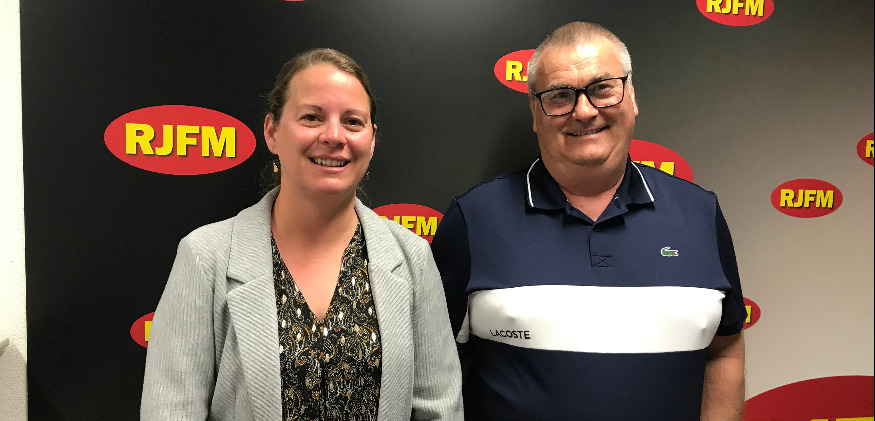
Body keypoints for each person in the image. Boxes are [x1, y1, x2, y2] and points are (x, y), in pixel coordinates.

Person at [431, 22, 745, 420]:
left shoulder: (700, 213)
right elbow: (431, 372)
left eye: (602, 88)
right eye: (560, 96)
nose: (583, 111)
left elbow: (725, 349)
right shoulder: (473, 220)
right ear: (535, 112)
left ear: (631, 97)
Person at [142, 48, 463, 420]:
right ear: (272, 132)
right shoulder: (205, 257)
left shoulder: (412, 259)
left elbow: (440, 410)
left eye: (353, 122)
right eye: (312, 117)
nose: (334, 136)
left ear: (372, 140)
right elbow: (171, 410)